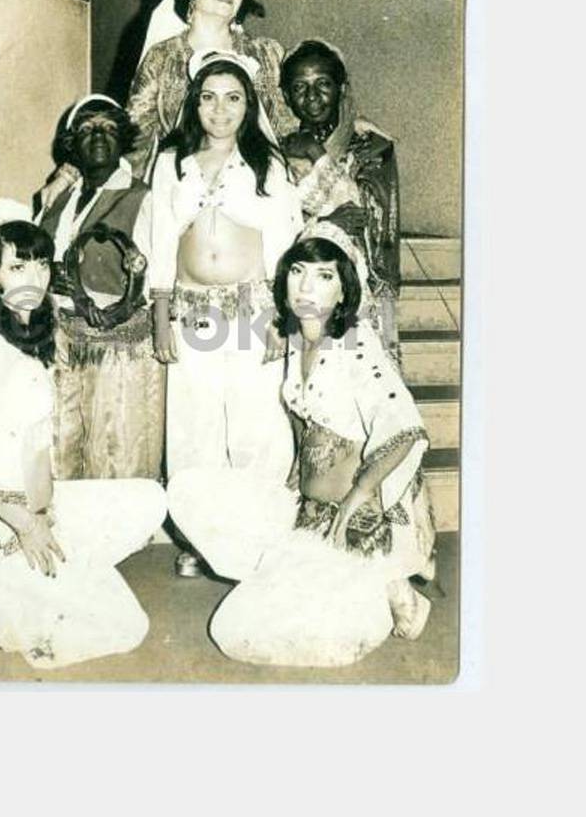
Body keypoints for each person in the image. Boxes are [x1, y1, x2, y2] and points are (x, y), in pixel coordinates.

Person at [167, 220, 436, 667]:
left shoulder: (357, 345)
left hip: (356, 517)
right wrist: (297, 475)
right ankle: (374, 579)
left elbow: (405, 430)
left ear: (344, 291)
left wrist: (357, 498)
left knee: (303, 638)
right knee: (197, 502)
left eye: (324, 275)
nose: (307, 287)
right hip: (312, 513)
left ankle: (392, 583)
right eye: (298, 271)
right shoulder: (297, 335)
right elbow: (304, 418)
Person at [0, 199, 167, 669]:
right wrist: (28, 526)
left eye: (40, 264)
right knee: (121, 627)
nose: (33, 278)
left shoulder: (29, 331)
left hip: (40, 512)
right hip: (5, 529)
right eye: (17, 267)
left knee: (147, 500)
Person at [148, 50, 302, 571]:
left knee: (256, 425)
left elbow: (284, 243)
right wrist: (161, 314)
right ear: (194, 104)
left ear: (249, 105)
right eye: (209, 98)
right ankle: (203, 540)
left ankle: (258, 541)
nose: (220, 109)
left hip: (252, 309)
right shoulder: (172, 162)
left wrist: (282, 318)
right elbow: (161, 238)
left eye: (233, 98)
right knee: (195, 427)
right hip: (192, 313)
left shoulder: (268, 164)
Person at [37, 0, 297, 209]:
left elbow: (288, 129)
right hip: (184, 194)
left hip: (257, 191)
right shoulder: (162, 57)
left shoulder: (265, 53)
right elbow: (132, 134)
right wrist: (70, 174)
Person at [35, 95, 165, 481]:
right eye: (87, 129)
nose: (98, 136)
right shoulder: (58, 196)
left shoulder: (140, 197)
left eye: (109, 128)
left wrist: (112, 308)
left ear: (123, 139)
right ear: (71, 143)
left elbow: (155, 274)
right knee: (61, 445)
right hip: (59, 340)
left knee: (114, 447)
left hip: (116, 344)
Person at [279, 39, 402, 361]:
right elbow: (276, 219)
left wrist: (315, 153)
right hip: (303, 285)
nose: (312, 97)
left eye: (323, 84)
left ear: (342, 88)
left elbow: (363, 217)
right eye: (300, 87)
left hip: (360, 284)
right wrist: (325, 223)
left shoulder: (371, 147)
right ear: (286, 96)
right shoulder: (278, 149)